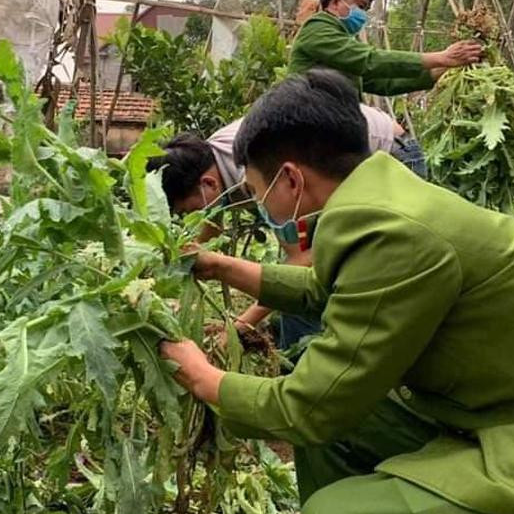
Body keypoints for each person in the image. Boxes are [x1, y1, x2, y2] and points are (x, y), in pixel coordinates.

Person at [160, 69, 514, 514]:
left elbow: (308, 408)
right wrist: (223, 266)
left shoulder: (392, 233)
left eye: (256, 192)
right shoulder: (381, 195)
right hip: (504, 404)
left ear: (291, 179)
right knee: (346, 424)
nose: (258, 204)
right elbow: (330, 289)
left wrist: (202, 377)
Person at [148, 103, 425, 350]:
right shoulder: (206, 160)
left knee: (337, 284)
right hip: (349, 162)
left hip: (390, 154)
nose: (191, 217)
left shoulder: (255, 170)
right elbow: (211, 224)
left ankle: (304, 368)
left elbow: (301, 261)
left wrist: (241, 326)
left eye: (189, 210)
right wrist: (175, 273)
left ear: (207, 184)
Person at [289, 0, 483, 96]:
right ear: (335, 2)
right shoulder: (317, 29)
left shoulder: (343, 38)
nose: (363, 14)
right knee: (391, 134)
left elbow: (382, 83)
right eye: (360, 6)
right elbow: (369, 60)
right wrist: (440, 57)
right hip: (309, 113)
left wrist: (436, 72)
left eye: (366, 10)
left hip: (331, 115)